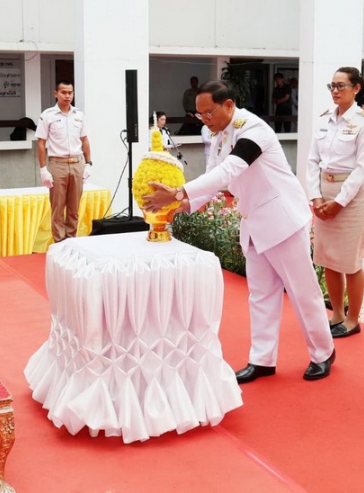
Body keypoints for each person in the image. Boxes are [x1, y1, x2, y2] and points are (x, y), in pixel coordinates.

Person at [143, 80, 335, 384]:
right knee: (260, 295)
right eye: (199, 115)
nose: (204, 120)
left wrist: (178, 192)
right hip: (255, 222)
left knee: (302, 292)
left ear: (229, 105)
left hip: (282, 221)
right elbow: (213, 177)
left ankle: (323, 352)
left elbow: (230, 170)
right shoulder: (220, 135)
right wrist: (184, 204)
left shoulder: (254, 129)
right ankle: (262, 359)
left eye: (209, 113)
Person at [307, 67, 364, 339]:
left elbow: (362, 169)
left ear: (356, 88)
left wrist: (339, 202)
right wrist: (315, 196)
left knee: (350, 261)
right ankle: (336, 313)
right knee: (328, 259)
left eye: (341, 86)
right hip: (324, 192)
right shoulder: (325, 119)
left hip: (350, 196)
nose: (335, 91)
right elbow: (312, 160)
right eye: (332, 86)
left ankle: (352, 319)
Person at [35, 80, 92, 243]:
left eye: (70, 93)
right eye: (64, 92)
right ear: (56, 94)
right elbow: (41, 143)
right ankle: (60, 244)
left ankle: (71, 242)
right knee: (58, 207)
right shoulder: (48, 115)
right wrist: (43, 169)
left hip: (77, 163)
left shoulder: (79, 115)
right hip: (57, 164)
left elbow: (84, 139)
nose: (67, 96)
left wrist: (88, 163)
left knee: (74, 207)